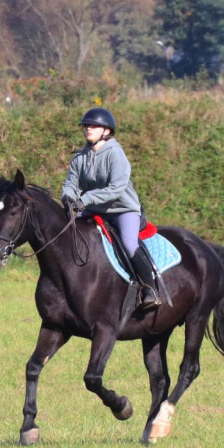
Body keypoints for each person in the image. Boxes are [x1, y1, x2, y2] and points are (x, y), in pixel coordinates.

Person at [61, 107, 160, 309]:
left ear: (106, 131)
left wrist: (86, 198)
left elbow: (116, 188)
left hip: (123, 209)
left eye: (94, 126)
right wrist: (68, 197)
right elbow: (71, 183)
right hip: (94, 208)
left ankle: (149, 289)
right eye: (86, 126)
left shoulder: (115, 153)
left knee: (129, 243)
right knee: (70, 233)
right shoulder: (80, 156)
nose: (88, 129)